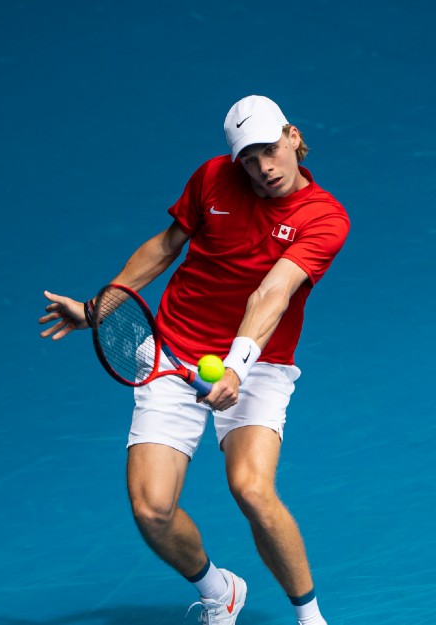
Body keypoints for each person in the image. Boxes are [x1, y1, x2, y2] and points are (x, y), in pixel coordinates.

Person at [39, 95, 349, 625]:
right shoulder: (212, 178)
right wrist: (98, 309)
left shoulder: (323, 217)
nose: (262, 168)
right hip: (172, 351)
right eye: (248, 159)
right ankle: (218, 590)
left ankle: (311, 618)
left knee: (251, 489)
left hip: (258, 364)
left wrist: (236, 367)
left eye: (271, 151)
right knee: (151, 510)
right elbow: (165, 246)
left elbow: (271, 294)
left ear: (294, 136)